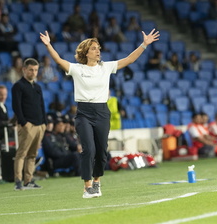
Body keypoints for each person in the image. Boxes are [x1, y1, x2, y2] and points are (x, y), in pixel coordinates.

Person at [40, 28, 160, 198]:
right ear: (86, 52)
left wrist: (144, 45)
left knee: (101, 151)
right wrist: (48, 45)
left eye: (99, 48)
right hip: (84, 113)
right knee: (88, 149)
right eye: (94, 48)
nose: (98, 51)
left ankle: (97, 182)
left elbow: (129, 59)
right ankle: (87, 186)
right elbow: (59, 60)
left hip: (102, 112)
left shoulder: (106, 67)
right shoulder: (77, 69)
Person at [12, 58, 47, 190]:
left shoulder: (37, 87)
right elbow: (16, 106)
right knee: (21, 154)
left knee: (32, 155)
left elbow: (42, 105)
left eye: (36, 70)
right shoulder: (18, 86)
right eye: (31, 69)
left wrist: (45, 123)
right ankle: (18, 181)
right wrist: (23, 123)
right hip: (27, 125)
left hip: (39, 125)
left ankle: (28, 180)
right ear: (24, 70)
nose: (33, 72)